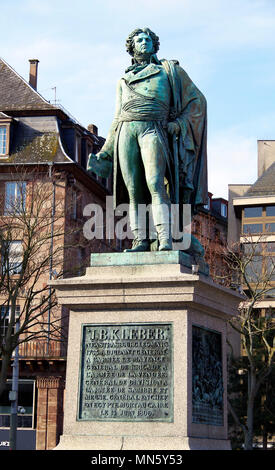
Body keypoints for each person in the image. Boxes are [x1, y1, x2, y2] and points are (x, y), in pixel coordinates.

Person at [88, 27, 208, 252]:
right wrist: (106, 151)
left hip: (153, 128)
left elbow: (197, 101)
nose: (144, 43)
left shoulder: (169, 71)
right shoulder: (123, 80)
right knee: (134, 190)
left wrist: (180, 123)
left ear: (154, 44)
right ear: (131, 47)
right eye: (139, 40)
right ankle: (140, 240)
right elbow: (116, 118)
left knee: (155, 183)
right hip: (126, 130)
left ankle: (164, 239)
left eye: (147, 39)